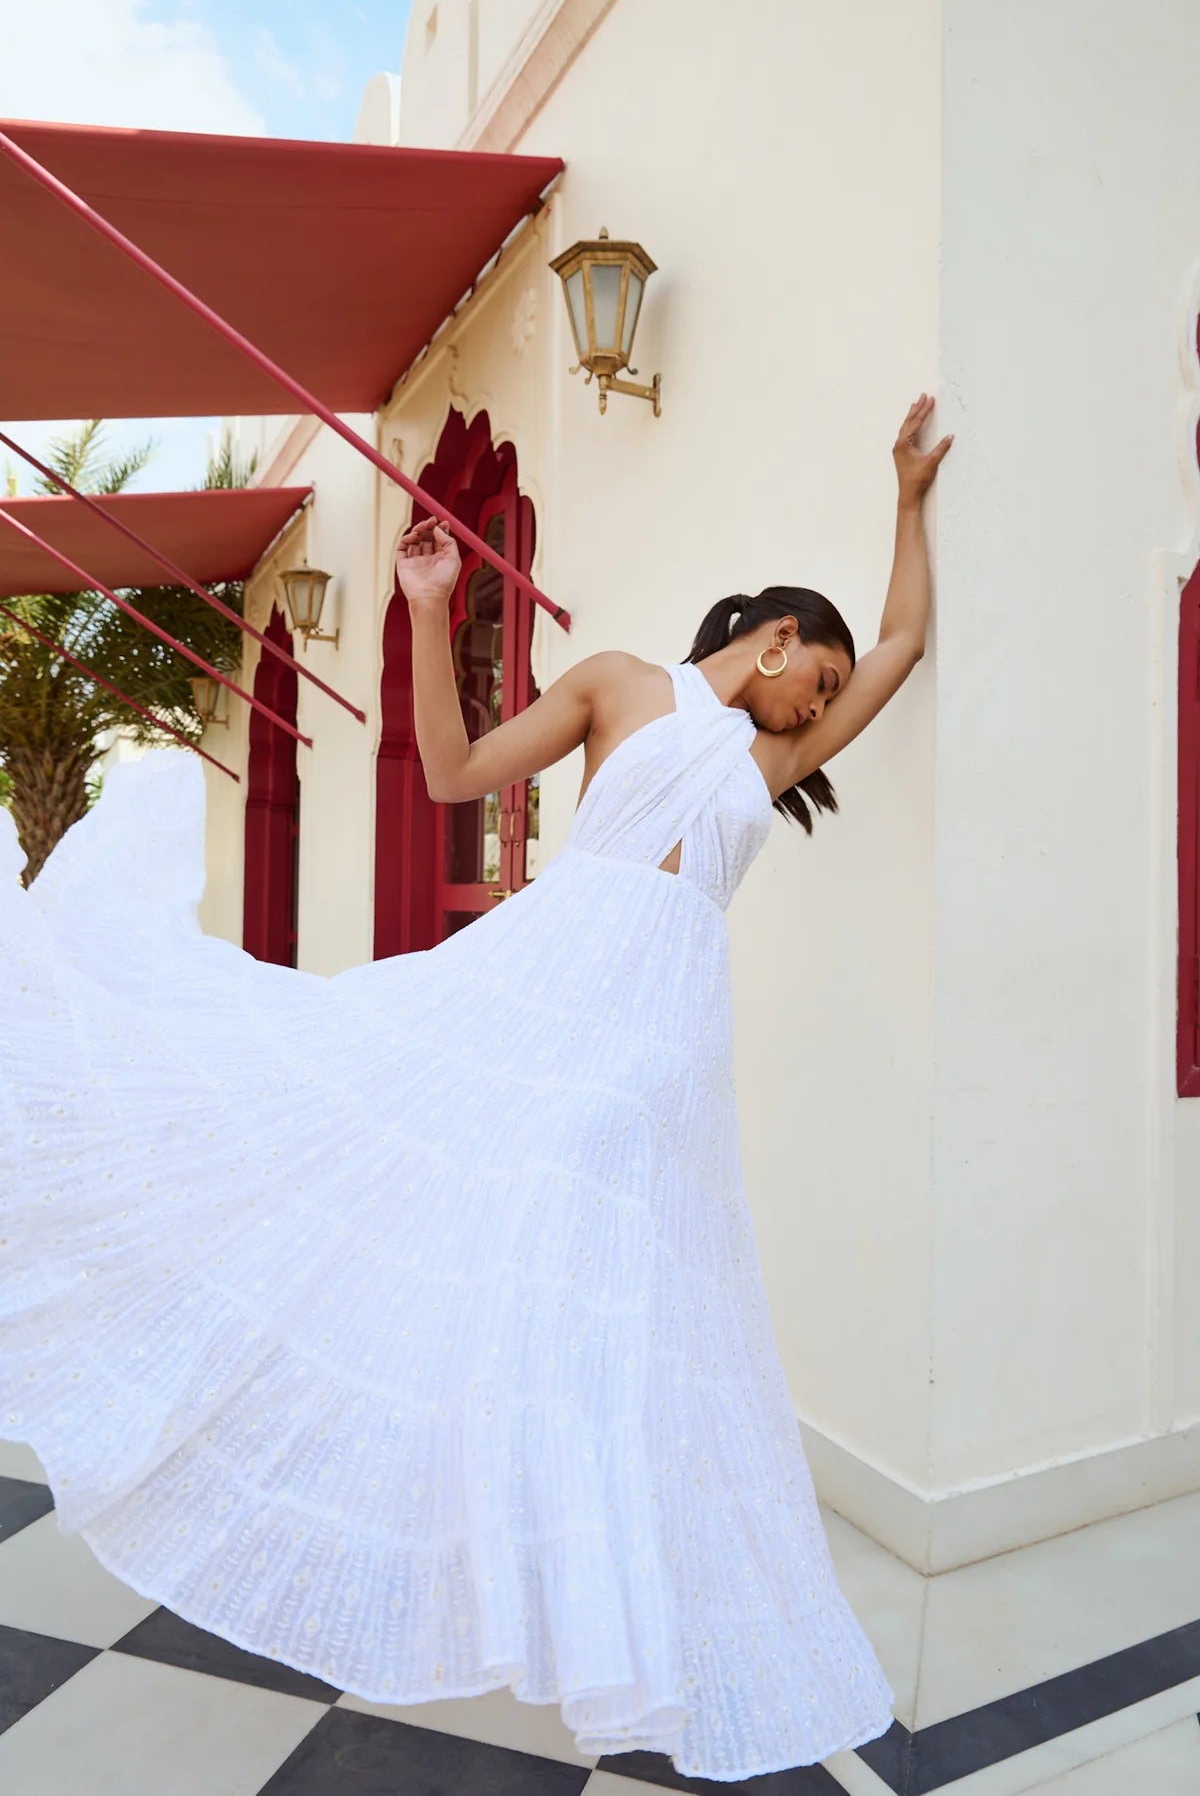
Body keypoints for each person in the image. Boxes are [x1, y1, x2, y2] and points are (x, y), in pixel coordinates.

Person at [0, 395, 951, 1782]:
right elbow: (447, 771)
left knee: (635, 1313)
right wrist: (430, 609)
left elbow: (909, 645)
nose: (819, 705)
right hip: (554, 997)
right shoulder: (621, 683)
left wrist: (909, 494)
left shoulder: (774, 759)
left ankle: (599, 1598)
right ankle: (479, 1543)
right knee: (454, 1223)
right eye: (817, 676)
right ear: (775, 641)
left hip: (667, 1061)